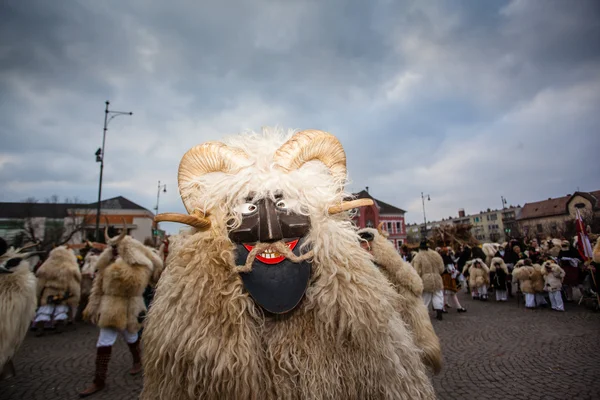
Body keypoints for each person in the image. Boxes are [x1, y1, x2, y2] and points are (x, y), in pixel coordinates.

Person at [140, 129, 437, 399]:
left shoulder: (360, 316)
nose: (270, 233)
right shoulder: (187, 327)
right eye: (249, 208)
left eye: (284, 206)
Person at [79, 224, 163, 397]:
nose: (114, 252)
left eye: (118, 249)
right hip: (111, 309)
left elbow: (136, 284)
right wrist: (92, 307)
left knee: (132, 338)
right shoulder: (106, 264)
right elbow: (98, 289)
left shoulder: (138, 266)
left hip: (131, 309)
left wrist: (117, 269)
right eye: (112, 249)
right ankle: (99, 380)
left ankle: (137, 361)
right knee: (104, 342)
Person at [33, 246, 81, 335]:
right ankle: (59, 327)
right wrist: (75, 296)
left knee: (45, 308)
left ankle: (41, 327)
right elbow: (74, 285)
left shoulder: (47, 266)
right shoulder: (71, 267)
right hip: (63, 292)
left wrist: (37, 294)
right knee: (61, 309)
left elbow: (40, 283)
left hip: (49, 291)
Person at [413, 240, 445, 320]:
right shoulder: (436, 254)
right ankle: (439, 312)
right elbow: (442, 268)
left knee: (425, 298)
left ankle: (424, 315)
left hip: (426, 279)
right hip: (437, 278)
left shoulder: (418, 256)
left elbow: (417, 270)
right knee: (438, 295)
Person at [440, 247, 466, 313]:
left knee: (452, 293)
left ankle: (458, 307)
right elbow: (450, 269)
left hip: (449, 277)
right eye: (448, 251)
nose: (450, 252)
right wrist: (455, 272)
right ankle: (442, 308)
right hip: (447, 277)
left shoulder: (448, 258)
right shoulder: (445, 259)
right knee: (447, 293)